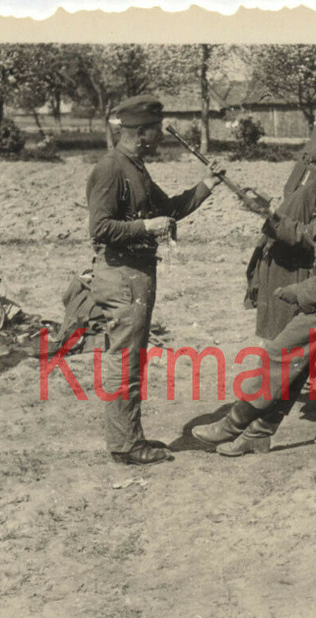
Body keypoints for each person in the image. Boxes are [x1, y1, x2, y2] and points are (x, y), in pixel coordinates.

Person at [192, 144, 316, 456]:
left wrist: (298, 292)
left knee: (276, 355)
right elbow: (308, 236)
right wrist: (267, 214)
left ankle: (231, 425)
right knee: (295, 365)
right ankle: (259, 434)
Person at [86, 94, 223, 465]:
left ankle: (130, 438)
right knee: (125, 360)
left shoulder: (136, 166)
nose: (160, 136)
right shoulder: (111, 168)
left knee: (131, 359)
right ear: (138, 132)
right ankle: (126, 446)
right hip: (122, 275)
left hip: (136, 274)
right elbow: (99, 227)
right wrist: (145, 226)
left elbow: (168, 210)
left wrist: (207, 184)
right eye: (156, 130)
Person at [246, 178, 316, 340]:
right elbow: (286, 231)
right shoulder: (311, 192)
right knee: (284, 337)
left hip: (300, 268)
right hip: (287, 269)